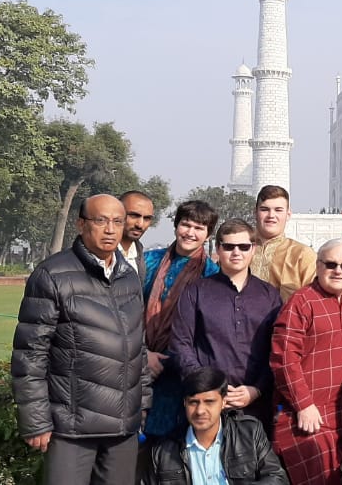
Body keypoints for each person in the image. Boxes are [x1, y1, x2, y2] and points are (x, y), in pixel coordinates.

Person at [11, 194, 149, 485]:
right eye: (101, 221)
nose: (110, 229)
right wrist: (36, 422)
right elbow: (30, 355)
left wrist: (142, 405)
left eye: (117, 222)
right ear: (81, 224)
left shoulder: (129, 276)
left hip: (123, 427)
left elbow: (139, 346)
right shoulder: (52, 275)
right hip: (71, 429)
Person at [270, 237, 342, 485]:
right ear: (318, 266)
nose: (338, 271)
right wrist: (303, 404)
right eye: (331, 264)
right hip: (306, 416)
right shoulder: (301, 302)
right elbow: (283, 358)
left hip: (341, 416)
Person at [169, 218, 283, 423]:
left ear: (253, 249)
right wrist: (208, 388)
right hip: (206, 405)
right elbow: (180, 344)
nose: (236, 252)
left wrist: (257, 389)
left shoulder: (270, 296)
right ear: (218, 249)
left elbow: (277, 349)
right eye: (229, 246)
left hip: (255, 407)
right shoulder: (196, 291)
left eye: (243, 246)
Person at [141, 201, 222, 444]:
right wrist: (144, 354)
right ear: (176, 226)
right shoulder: (147, 263)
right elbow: (125, 314)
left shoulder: (211, 274)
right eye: (186, 224)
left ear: (208, 234)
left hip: (180, 376)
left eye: (199, 228)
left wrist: (170, 359)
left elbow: (207, 333)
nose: (190, 232)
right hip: (137, 365)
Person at [146, 366, 289, 484]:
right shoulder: (162, 451)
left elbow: (277, 478)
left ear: (224, 402)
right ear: (185, 403)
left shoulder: (249, 433)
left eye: (209, 402)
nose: (200, 411)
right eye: (193, 402)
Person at [251, 185, 317, 302]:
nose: (271, 216)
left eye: (278, 210)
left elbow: (314, 301)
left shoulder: (302, 254)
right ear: (255, 213)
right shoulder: (239, 250)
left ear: (288, 215)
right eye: (264, 209)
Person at [119, 190, 156, 280]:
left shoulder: (139, 254)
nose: (140, 224)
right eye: (134, 216)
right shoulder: (100, 252)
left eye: (147, 218)